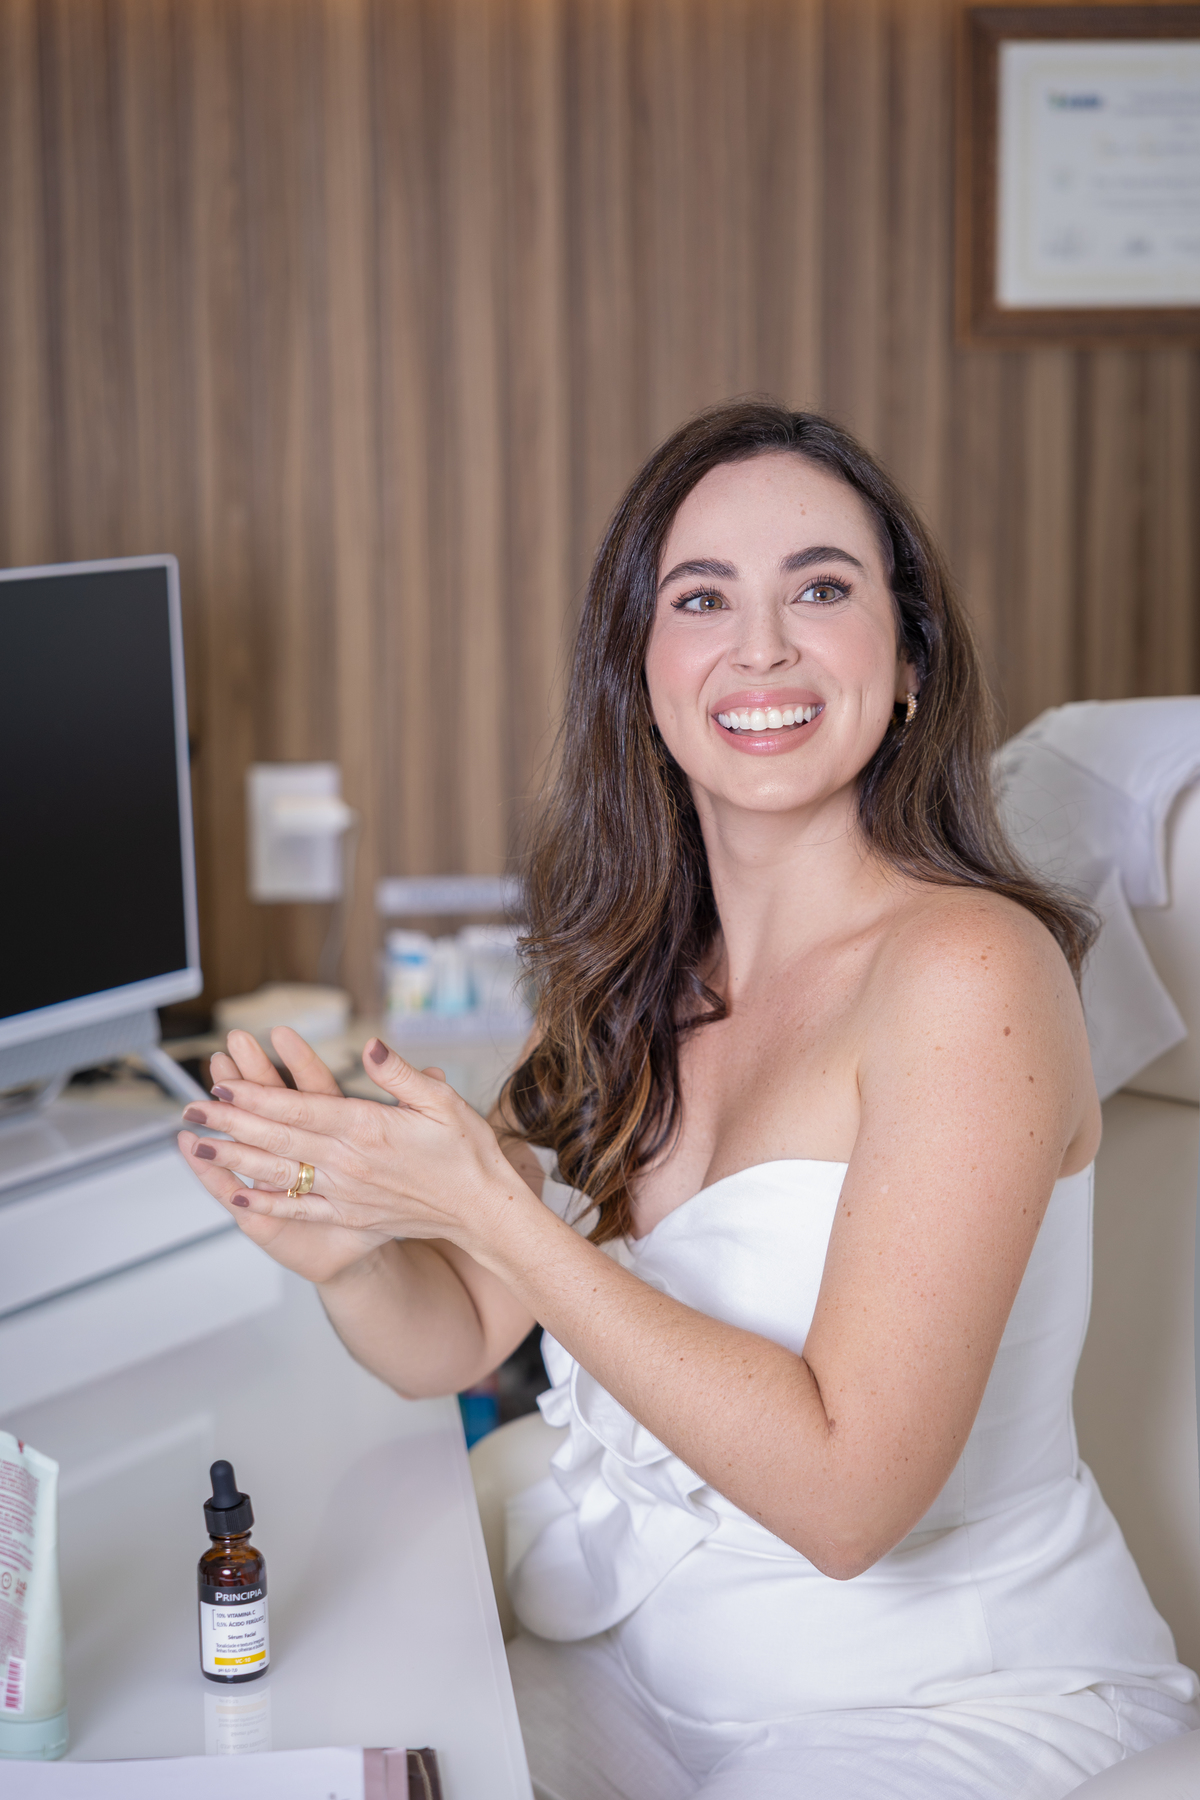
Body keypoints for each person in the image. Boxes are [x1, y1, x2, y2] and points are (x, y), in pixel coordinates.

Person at [179, 402, 1199, 1799]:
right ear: (642, 675)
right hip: (645, 1675)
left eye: (821, 590)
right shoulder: (634, 974)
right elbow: (457, 1333)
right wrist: (350, 1251)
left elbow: (849, 1501)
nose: (761, 645)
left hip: (938, 1710)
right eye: (702, 597)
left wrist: (492, 1210)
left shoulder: (972, 972)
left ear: (908, 660)